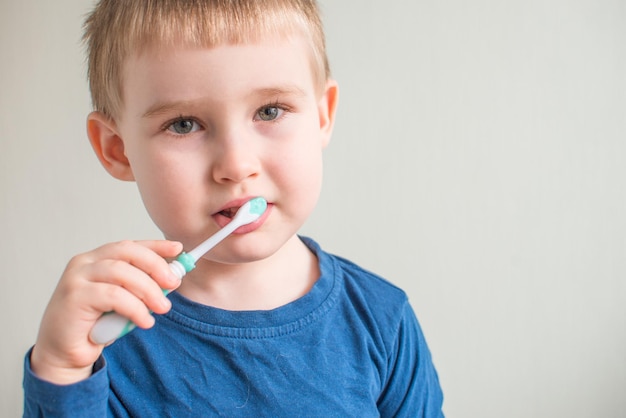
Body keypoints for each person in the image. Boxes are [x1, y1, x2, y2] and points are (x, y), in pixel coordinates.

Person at [23, 0, 444, 416]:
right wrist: (61, 371)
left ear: (322, 117)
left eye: (270, 111)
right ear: (118, 150)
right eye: (184, 124)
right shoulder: (101, 340)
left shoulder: (382, 319)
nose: (237, 165)